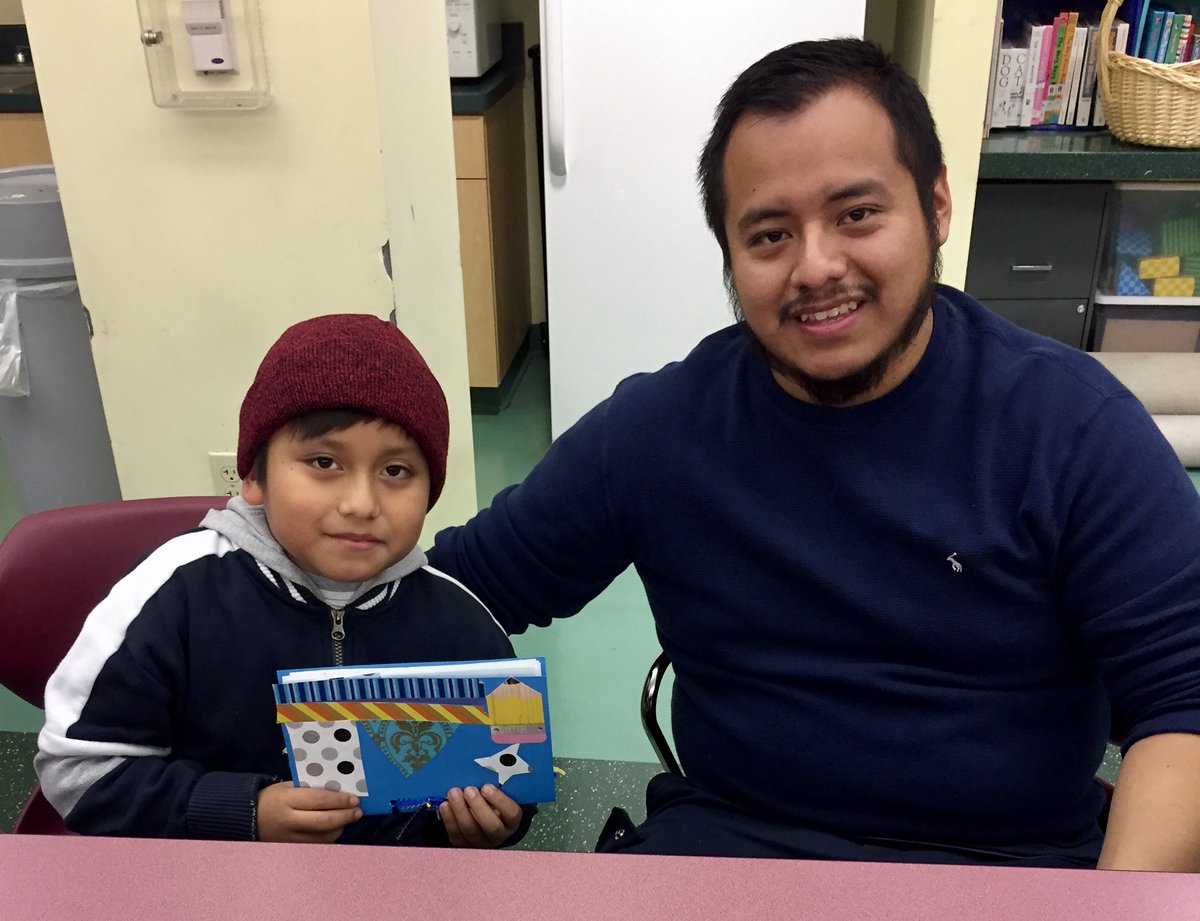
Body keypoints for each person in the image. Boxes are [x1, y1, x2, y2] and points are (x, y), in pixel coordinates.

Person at [428, 39, 1200, 870]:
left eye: (857, 214)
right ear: (730, 253)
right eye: (768, 235)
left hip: (1006, 865)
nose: (816, 266)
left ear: (937, 205)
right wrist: (453, 772)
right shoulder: (658, 429)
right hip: (728, 850)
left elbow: (1185, 699)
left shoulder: (1072, 426)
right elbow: (451, 596)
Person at [36, 314, 530, 847]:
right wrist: (240, 812)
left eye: (396, 472)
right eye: (323, 462)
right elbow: (77, 774)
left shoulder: (462, 620)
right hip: (208, 883)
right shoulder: (171, 592)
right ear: (253, 476)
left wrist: (498, 823)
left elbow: (518, 764)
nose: (361, 504)